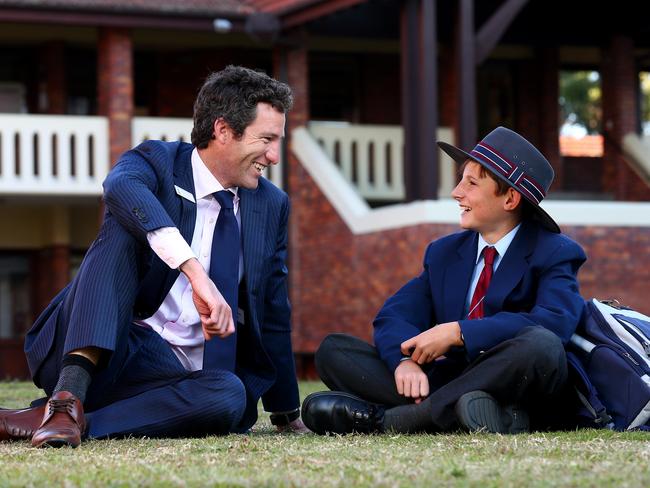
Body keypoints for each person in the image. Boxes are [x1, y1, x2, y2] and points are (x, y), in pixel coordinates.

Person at [0, 65, 307, 448]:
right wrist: (195, 272)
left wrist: (286, 412)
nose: (274, 156)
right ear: (224, 130)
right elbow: (119, 187)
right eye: (266, 139)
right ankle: (66, 397)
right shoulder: (157, 161)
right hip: (99, 344)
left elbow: (274, 308)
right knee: (123, 225)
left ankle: (67, 421)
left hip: (169, 377)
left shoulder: (271, 204)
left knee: (231, 395)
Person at [301, 127, 587, 435]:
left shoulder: (556, 251)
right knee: (334, 351)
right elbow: (395, 315)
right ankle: (475, 412)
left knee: (541, 344)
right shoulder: (444, 252)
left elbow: (554, 324)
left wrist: (459, 332)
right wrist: (404, 363)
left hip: (521, 384)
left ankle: (393, 419)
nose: (456, 192)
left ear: (510, 198)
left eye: (471, 183)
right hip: (451, 381)